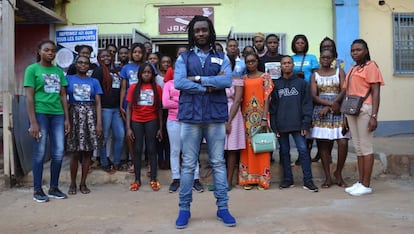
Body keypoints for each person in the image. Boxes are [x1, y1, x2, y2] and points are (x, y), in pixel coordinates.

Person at [173, 15, 236, 228]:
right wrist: (208, 87)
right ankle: (184, 209)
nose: (201, 34)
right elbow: (180, 82)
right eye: (197, 30)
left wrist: (199, 79)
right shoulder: (184, 58)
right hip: (190, 117)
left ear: (210, 32)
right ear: (192, 33)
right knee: (189, 165)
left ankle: (223, 208)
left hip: (215, 116)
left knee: (218, 163)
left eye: (204, 30)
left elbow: (226, 80)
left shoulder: (222, 56)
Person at [24, 40, 70, 202]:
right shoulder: (32, 69)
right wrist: (33, 122)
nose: (50, 53)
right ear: (39, 51)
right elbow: (29, 96)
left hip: (57, 114)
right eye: (47, 50)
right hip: (40, 114)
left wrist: (66, 119)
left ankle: (54, 188)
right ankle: (37, 190)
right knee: (40, 153)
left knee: (58, 153)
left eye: (53, 51)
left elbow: (63, 95)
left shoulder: (58, 71)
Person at [270, 55, 318, 192]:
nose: (286, 65)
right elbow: (273, 107)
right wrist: (274, 126)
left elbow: (307, 104)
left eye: (289, 63)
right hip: (281, 124)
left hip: (298, 124)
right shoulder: (276, 85)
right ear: (281, 66)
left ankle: (308, 180)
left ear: (293, 65)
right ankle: (287, 180)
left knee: (303, 150)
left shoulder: (302, 83)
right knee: (284, 152)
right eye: (284, 63)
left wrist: (306, 123)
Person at [343, 39, 384, 196]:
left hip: (365, 109)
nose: (355, 53)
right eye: (353, 50)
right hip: (351, 109)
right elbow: (347, 91)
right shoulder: (353, 68)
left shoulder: (371, 66)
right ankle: (360, 182)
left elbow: (376, 92)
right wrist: (345, 117)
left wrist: (374, 115)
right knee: (358, 147)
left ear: (366, 51)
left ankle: (366, 184)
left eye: (358, 50)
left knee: (366, 147)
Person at [310, 49, 349, 188]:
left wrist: (333, 105)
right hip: (321, 110)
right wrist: (328, 106)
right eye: (323, 57)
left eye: (328, 57)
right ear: (320, 59)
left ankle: (338, 172)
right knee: (323, 144)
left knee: (343, 142)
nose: (325, 59)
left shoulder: (340, 72)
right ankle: (328, 177)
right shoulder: (315, 74)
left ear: (333, 59)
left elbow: (344, 89)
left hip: (338, 110)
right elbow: (314, 95)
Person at [65, 56, 103, 195]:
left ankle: (83, 183)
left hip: (90, 116)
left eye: (86, 63)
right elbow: (63, 98)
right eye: (80, 62)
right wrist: (66, 119)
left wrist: (99, 123)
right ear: (75, 64)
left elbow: (98, 103)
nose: (83, 65)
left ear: (89, 66)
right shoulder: (68, 79)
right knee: (75, 152)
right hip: (74, 115)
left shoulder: (94, 81)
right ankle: (73, 183)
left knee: (88, 152)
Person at [126, 63, 163, 191]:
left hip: (152, 120)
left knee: (152, 149)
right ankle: (137, 179)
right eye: (144, 72)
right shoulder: (133, 88)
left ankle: (153, 178)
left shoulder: (157, 88)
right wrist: (128, 128)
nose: (146, 74)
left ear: (152, 74)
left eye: (149, 72)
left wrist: (160, 128)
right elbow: (129, 108)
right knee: (137, 149)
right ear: (140, 74)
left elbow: (159, 109)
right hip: (136, 121)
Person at [239, 53, 273, 190]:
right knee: (247, 148)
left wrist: (264, 118)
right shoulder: (243, 78)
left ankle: (262, 179)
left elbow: (267, 99)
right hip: (246, 119)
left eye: (253, 61)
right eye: (248, 62)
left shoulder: (265, 77)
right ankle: (248, 179)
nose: (251, 64)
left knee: (261, 147)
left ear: (257, 61)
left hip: (261, 117)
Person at [91, 49, 124, 172]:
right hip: (104, 108)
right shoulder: (98, 71)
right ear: (99, 58)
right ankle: (104, 162)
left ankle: (116, 162)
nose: (106, 58)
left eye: (108, 56)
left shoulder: (117, 70)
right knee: (103, 137)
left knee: (120, 135)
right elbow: (95, 90)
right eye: (103, 56)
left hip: (116, 108)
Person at [291, 34, 319, 166]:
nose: (300, 45)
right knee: (298, 123)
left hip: (309, 93)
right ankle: (301, 154)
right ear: (294, 44)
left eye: (302, 43)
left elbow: (316, 76)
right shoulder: (290, 59)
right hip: (295, 94)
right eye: (298, 43)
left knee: (308, 123)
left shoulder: (312, 58)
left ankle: (307, 153)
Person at [224, 39, 246, 190]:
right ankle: (219, 181)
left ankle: (228, 181)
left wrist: (229, 121)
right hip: (218, 114)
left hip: (233, 115)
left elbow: (238, 101)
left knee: (232, 149)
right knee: (218, 149)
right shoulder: (218, 80)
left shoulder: (237, 79)